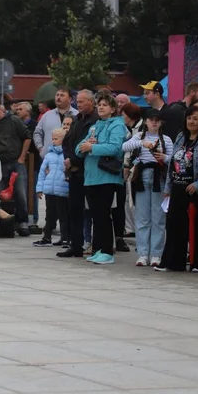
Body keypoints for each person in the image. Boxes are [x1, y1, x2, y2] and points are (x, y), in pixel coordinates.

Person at [156, 105, 198, 273]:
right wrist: (168, 186)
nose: (191, 121)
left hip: (197, 189)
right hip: (178, 186)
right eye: (189, 118)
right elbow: (172, 164)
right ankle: (174, 262)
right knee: (174, 226)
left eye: (195, 118)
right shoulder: (181, 137)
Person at [75, 91, 127, 265]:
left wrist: (92, 148)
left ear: (113, 109)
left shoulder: (117, 125)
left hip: (106, 177)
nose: (101, 107)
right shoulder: (95, 126)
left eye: (105, 105)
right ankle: (98, 249)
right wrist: (84, 147)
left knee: (104, 214)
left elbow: (115, 148)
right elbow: (79, 147)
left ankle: (107, 250)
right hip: (91, 177)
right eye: (100, 105)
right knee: (95, 215)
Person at [123, 109, 173, 267]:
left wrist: (164, 157)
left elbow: (173, 160)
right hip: (142, 179)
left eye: (157, 120)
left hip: (160, 178)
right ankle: (143, 253)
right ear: (145, 122)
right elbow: (125, 146)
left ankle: (156, 254)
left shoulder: (166, 140)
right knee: (142, 218)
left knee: (158, 218)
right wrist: (142, 143)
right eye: (151, 119)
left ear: (161, 122)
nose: (154, 122)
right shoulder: (139, 136)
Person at [0, 97, 33, 236]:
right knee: (0, 194)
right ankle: (2, 222)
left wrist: (22, 158)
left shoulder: (14, 120)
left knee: (20, 192)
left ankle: (23, 222)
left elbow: (27, 137)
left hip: (16, 162)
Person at [58, 90, 96, 258]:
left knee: (94, 211)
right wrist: (68, 160)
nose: (78, 104)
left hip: (88, 170)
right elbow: (67, 141)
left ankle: (97, 245)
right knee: (74, 209)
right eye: (77, 102)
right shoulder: (76, 119)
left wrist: (74, 161)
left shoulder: (95, 121)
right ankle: (76, 245)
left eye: (82, 101)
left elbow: (88, 146)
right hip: (74, 171)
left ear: (91, 102)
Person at [114, 102, 143, 252]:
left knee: (138, 206)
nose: (122, 117)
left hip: (139, 171)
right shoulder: (129, 130)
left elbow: (135, 151)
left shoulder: (141, 129)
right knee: (130, 204)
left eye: (124, 115)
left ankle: (142, 242)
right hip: (129, 170)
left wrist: (129, 165)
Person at [34, 128, 69, 247]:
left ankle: (65, 238)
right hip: (50, 189)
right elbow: (42, 172)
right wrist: (39, 188)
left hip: (63, 189)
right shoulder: (49, 155)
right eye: (52, 139)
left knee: (63, 215)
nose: (53, 141)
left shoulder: (67, 154)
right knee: (49, 215)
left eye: (56, 139)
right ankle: (46, 237)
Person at [34, 87, 77, 158]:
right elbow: (37, 132)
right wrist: (40, 148)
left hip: (70, 160)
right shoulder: (47, 115)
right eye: (57, 95)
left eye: (62, 95)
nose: (58, 97)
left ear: (70, 99)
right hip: (49, 159)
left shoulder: (77, 115)